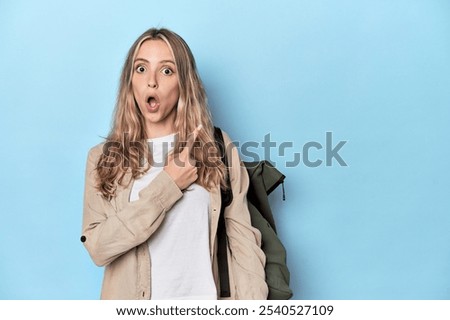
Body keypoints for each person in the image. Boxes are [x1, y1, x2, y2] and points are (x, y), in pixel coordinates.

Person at [81, 27, 268, 300]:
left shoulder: (217, 147)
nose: (152, 82)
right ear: (130, 81)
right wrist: (167, 185)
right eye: (141, 69)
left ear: (184, 83)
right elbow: (98, 247)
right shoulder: (102, 158)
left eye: (167, 70)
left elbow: (243, 243)